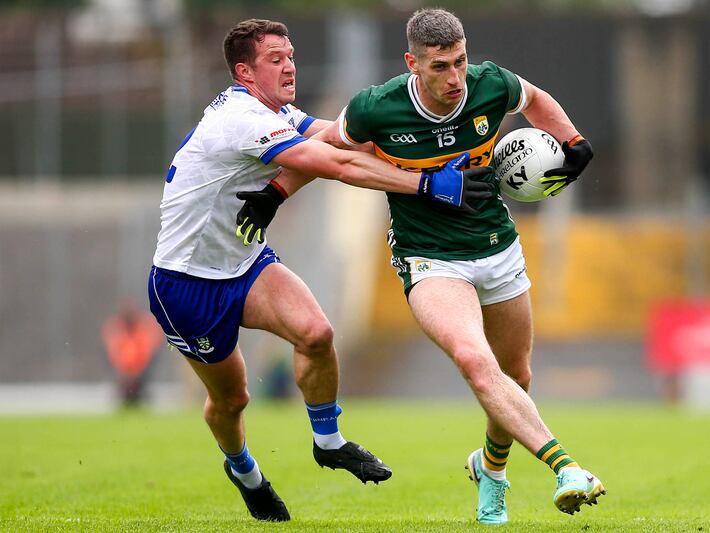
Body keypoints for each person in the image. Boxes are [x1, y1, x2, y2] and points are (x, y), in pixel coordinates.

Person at [237, 8, 605, 525]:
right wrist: (275, 193)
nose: (455, 78)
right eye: (439, 67)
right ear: (413, 63)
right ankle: (565, 468)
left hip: (496, 245)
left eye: (460, 62)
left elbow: (534, 99)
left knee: (515, 374)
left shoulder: (489, 83)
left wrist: (573, 142)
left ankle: (490, 471)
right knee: (476, 361)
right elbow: (327, 152)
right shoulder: (376, 108)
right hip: (429, 258)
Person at [147, 18, 492, 523]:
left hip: (244, 264)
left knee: (315, 334)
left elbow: (340, 141)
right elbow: (337, 166)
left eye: (290, 55)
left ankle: (329, 443)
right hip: (186, 283)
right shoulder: (244, 120)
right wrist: (425, 186)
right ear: (244, 72)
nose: (289, 65)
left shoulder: (277, 111)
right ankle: (243, 470)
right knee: (234, 398)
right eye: (275, 59)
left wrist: (421, 148)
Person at [102, 298, 163, 407]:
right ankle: (126, 394)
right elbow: (113, 353)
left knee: (137, 386)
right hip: (122, 371)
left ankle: (137, 394)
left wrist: (136, 374)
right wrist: (123, 373)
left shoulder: (144, 327)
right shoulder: (115, 328)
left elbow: (147, 351)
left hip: (141, 371)